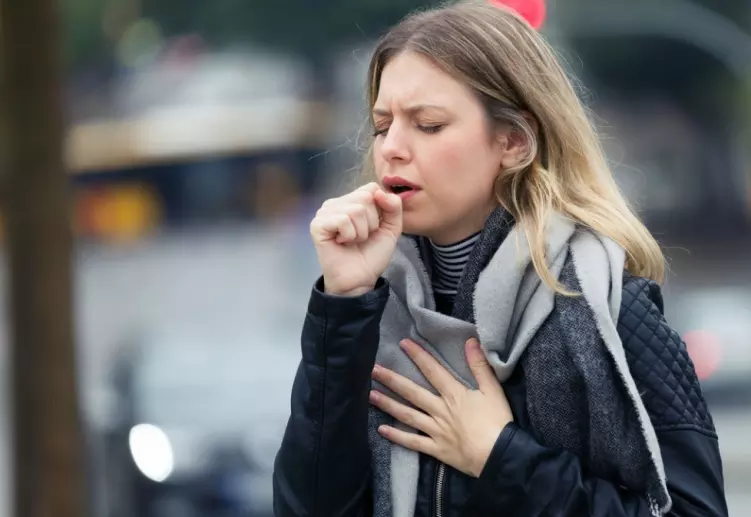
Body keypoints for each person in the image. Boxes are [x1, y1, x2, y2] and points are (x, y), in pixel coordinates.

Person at [273, 1, 728, 516]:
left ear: (512, 142)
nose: (392, 148)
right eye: (382, 126)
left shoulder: (611, 306)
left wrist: (500, 455)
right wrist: (344, 302)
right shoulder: (367, 308)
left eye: (428, 124)